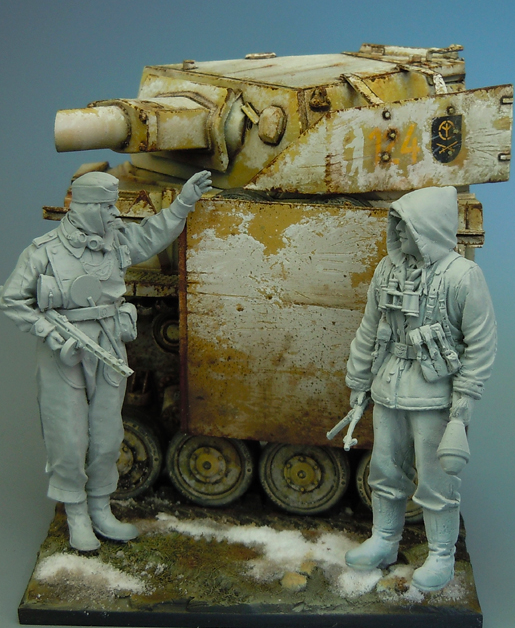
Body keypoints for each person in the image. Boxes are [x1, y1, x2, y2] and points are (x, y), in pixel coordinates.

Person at [0, 169, 212, 551]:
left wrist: (183, 202)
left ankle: (100, 506)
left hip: (109, 342)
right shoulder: (44, 251)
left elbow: (151, 235)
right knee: (68, 435)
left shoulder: (115, 241)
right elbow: (13, 298)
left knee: (108, 435)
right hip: (64, 348)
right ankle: (76, 513)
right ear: (84, 208)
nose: (115, 214)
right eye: (106, 207)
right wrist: (47, 330)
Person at [343, 186, 496, 592]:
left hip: (434, 394)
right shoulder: (386, 271)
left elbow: (481, 345)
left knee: (436, 479)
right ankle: (384, 539)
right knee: (385, 470)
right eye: (397, 224)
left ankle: (441, 553)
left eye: (406, 225)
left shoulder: (463, 276)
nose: (398, 232)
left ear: (427, 228)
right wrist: (358, 382)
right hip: (388, 386)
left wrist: (462, 408)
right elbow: (369, 328)